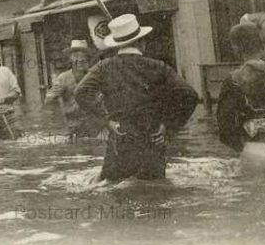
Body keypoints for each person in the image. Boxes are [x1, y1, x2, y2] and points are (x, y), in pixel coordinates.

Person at [75, 14, 198, 181]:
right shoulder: (159, 67)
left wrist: (106, 121)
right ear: (142, 43)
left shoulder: (104, 67)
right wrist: (169, 126)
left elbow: (81, 92)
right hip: (153, 142)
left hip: (120, 139)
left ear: (116, 46)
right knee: (157, 194)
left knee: (114, 190)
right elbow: (189, 95)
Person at [217, 22, 265, 154]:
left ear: (236, 48)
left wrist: (244, 149)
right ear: (262, 45)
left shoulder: (233, 80)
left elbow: (225, 130)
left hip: (254, 153)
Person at [45, 39, 103, 140]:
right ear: (70, 59)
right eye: (76, 56)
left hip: (93, 125)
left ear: (87, 59)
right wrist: (53, 94)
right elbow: (48, 100)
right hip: (73, 125)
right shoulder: (63, 78)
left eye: (83, 56)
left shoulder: (94, 76)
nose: (79, 60)